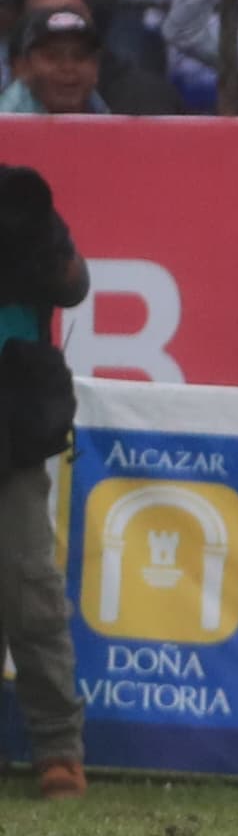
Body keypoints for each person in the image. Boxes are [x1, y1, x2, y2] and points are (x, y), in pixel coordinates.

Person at [0, 158, 87, 798]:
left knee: (30, 591)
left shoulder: (20, 202)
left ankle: (59, 748)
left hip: (13, 422)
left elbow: (72, 286)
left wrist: (37, 233)